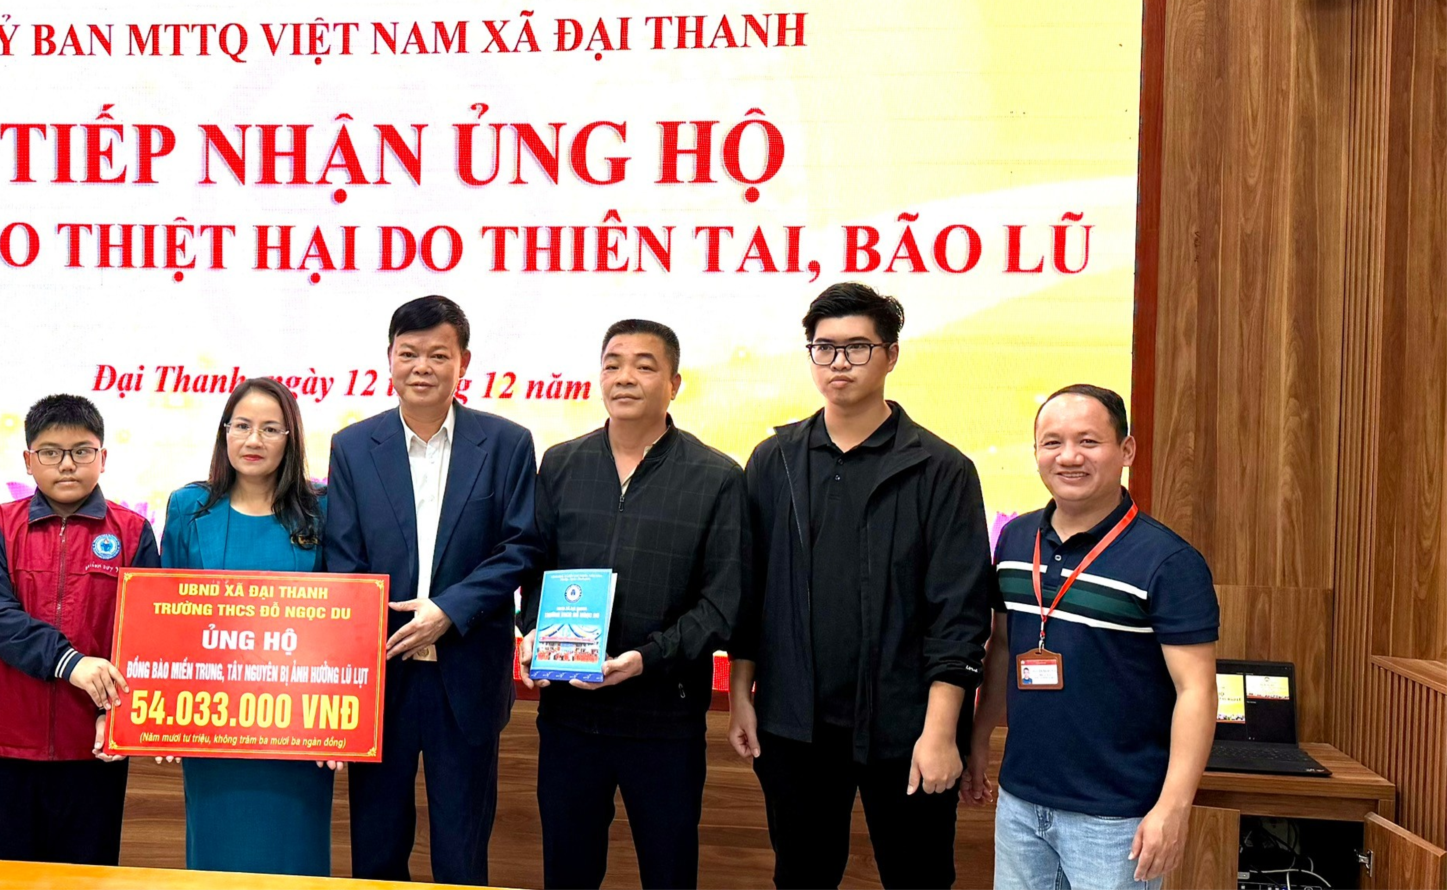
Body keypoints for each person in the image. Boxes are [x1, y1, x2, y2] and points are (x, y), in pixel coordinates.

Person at [728, 283, 993, 890]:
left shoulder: (941, 468)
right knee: (801, 876)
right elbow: (750, 590)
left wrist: (940, 732)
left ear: (891, 355)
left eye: (857, 348)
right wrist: (743, 692)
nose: (838, 363)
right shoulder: (774, 460)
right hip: (795, 727)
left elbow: (959, 614)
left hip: (908, 728)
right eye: (824, 348)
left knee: (919, 878)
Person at [518, 319, 745, 890]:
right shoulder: (561, 463)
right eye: (613, 364)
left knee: (668, 874)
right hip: (569, 718)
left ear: (674, 384)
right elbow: (534, 569)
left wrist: (646, 659)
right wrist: (533, 632)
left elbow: (722, 605)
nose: (625, 377)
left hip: (664, 720)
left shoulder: (717, 477)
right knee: (567, 874)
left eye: (644, 366)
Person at [963, 385, 1218, 890]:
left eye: (1088, 441)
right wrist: (978, 740)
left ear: (1126, 450)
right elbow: (1004, 649)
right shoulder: (1015, 540)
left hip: (1116, 816)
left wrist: (1173, 807)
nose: (1069, 457)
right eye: (1052, 442)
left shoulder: (1168, 562)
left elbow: (1197, 690)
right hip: (1021, 803)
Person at [326, 295, 539, 886]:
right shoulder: (352, 447)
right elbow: (344, 559)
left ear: (463, 362)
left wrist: (449, 609)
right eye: (409, 353)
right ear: (389, 359)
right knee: (376, 849)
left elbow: (521, 546)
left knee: (462, 853)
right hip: (381, 675)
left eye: (438, 355)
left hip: (467, 673)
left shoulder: (507, 443)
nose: (422, 367)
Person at [0, 393, 158, 865]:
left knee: (87, 876)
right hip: (6, 745)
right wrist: (68, 662)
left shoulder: (133, 532)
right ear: (28, 460)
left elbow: (146, 636)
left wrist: (118, 716)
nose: (67, 464)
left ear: (102, 457)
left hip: (93, 746)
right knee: (7, 877)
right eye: (51, 452)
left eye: (82, 451)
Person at [160, 378, 336, 876]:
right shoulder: (188, 508)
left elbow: (343, 621)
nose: (253, 440)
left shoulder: (322, 510)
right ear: (225, 432)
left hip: (299, 728)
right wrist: (163, 714)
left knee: (295, 861)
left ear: (290, 438)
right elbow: (164, 617)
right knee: (217, 862)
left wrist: (342, 726)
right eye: (241, 426)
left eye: (270, 429)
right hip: (211, 723)